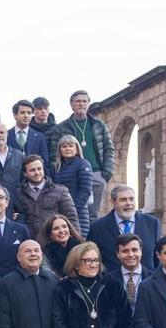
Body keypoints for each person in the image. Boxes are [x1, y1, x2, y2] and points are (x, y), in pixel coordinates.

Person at [50, 90, 114, 222]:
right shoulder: (61, 127)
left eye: (84, 101)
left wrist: (106, 172)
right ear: (71, 105)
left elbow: (108, 148)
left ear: (88, 104)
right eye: (78, 101)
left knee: (93, 215)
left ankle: (91, 241)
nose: (81, 104)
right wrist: (57, 172)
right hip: (71, 174)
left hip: (97, 173)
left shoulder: (98, 125)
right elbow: (53, 154)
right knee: (73, 212)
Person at [88, 185, 161, 272]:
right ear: (113, 202)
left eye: (131, 199)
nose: (128, 203)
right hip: (112, 283)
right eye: (123, 200)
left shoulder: (152, 223)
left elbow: (158, 257)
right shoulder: (97, 227)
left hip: (146, 283)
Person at [13, 155, 78, 240]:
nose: (37, 173)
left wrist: (76, 242)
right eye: (32, 170)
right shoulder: (17, 194)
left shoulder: (60, 191)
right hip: (30, 243)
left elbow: (71, 217)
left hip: (54, 242)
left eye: (39, 169)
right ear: (25, 173)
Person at [51, 135, 95, 235]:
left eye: (71, 146)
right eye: (64, 146)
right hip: (60, 213)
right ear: (60, 150)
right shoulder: (56, 167)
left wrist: (72, 209)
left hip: (79, 213)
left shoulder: (83, 164)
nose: (68, 149)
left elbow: (85, 190)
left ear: (76, 148)